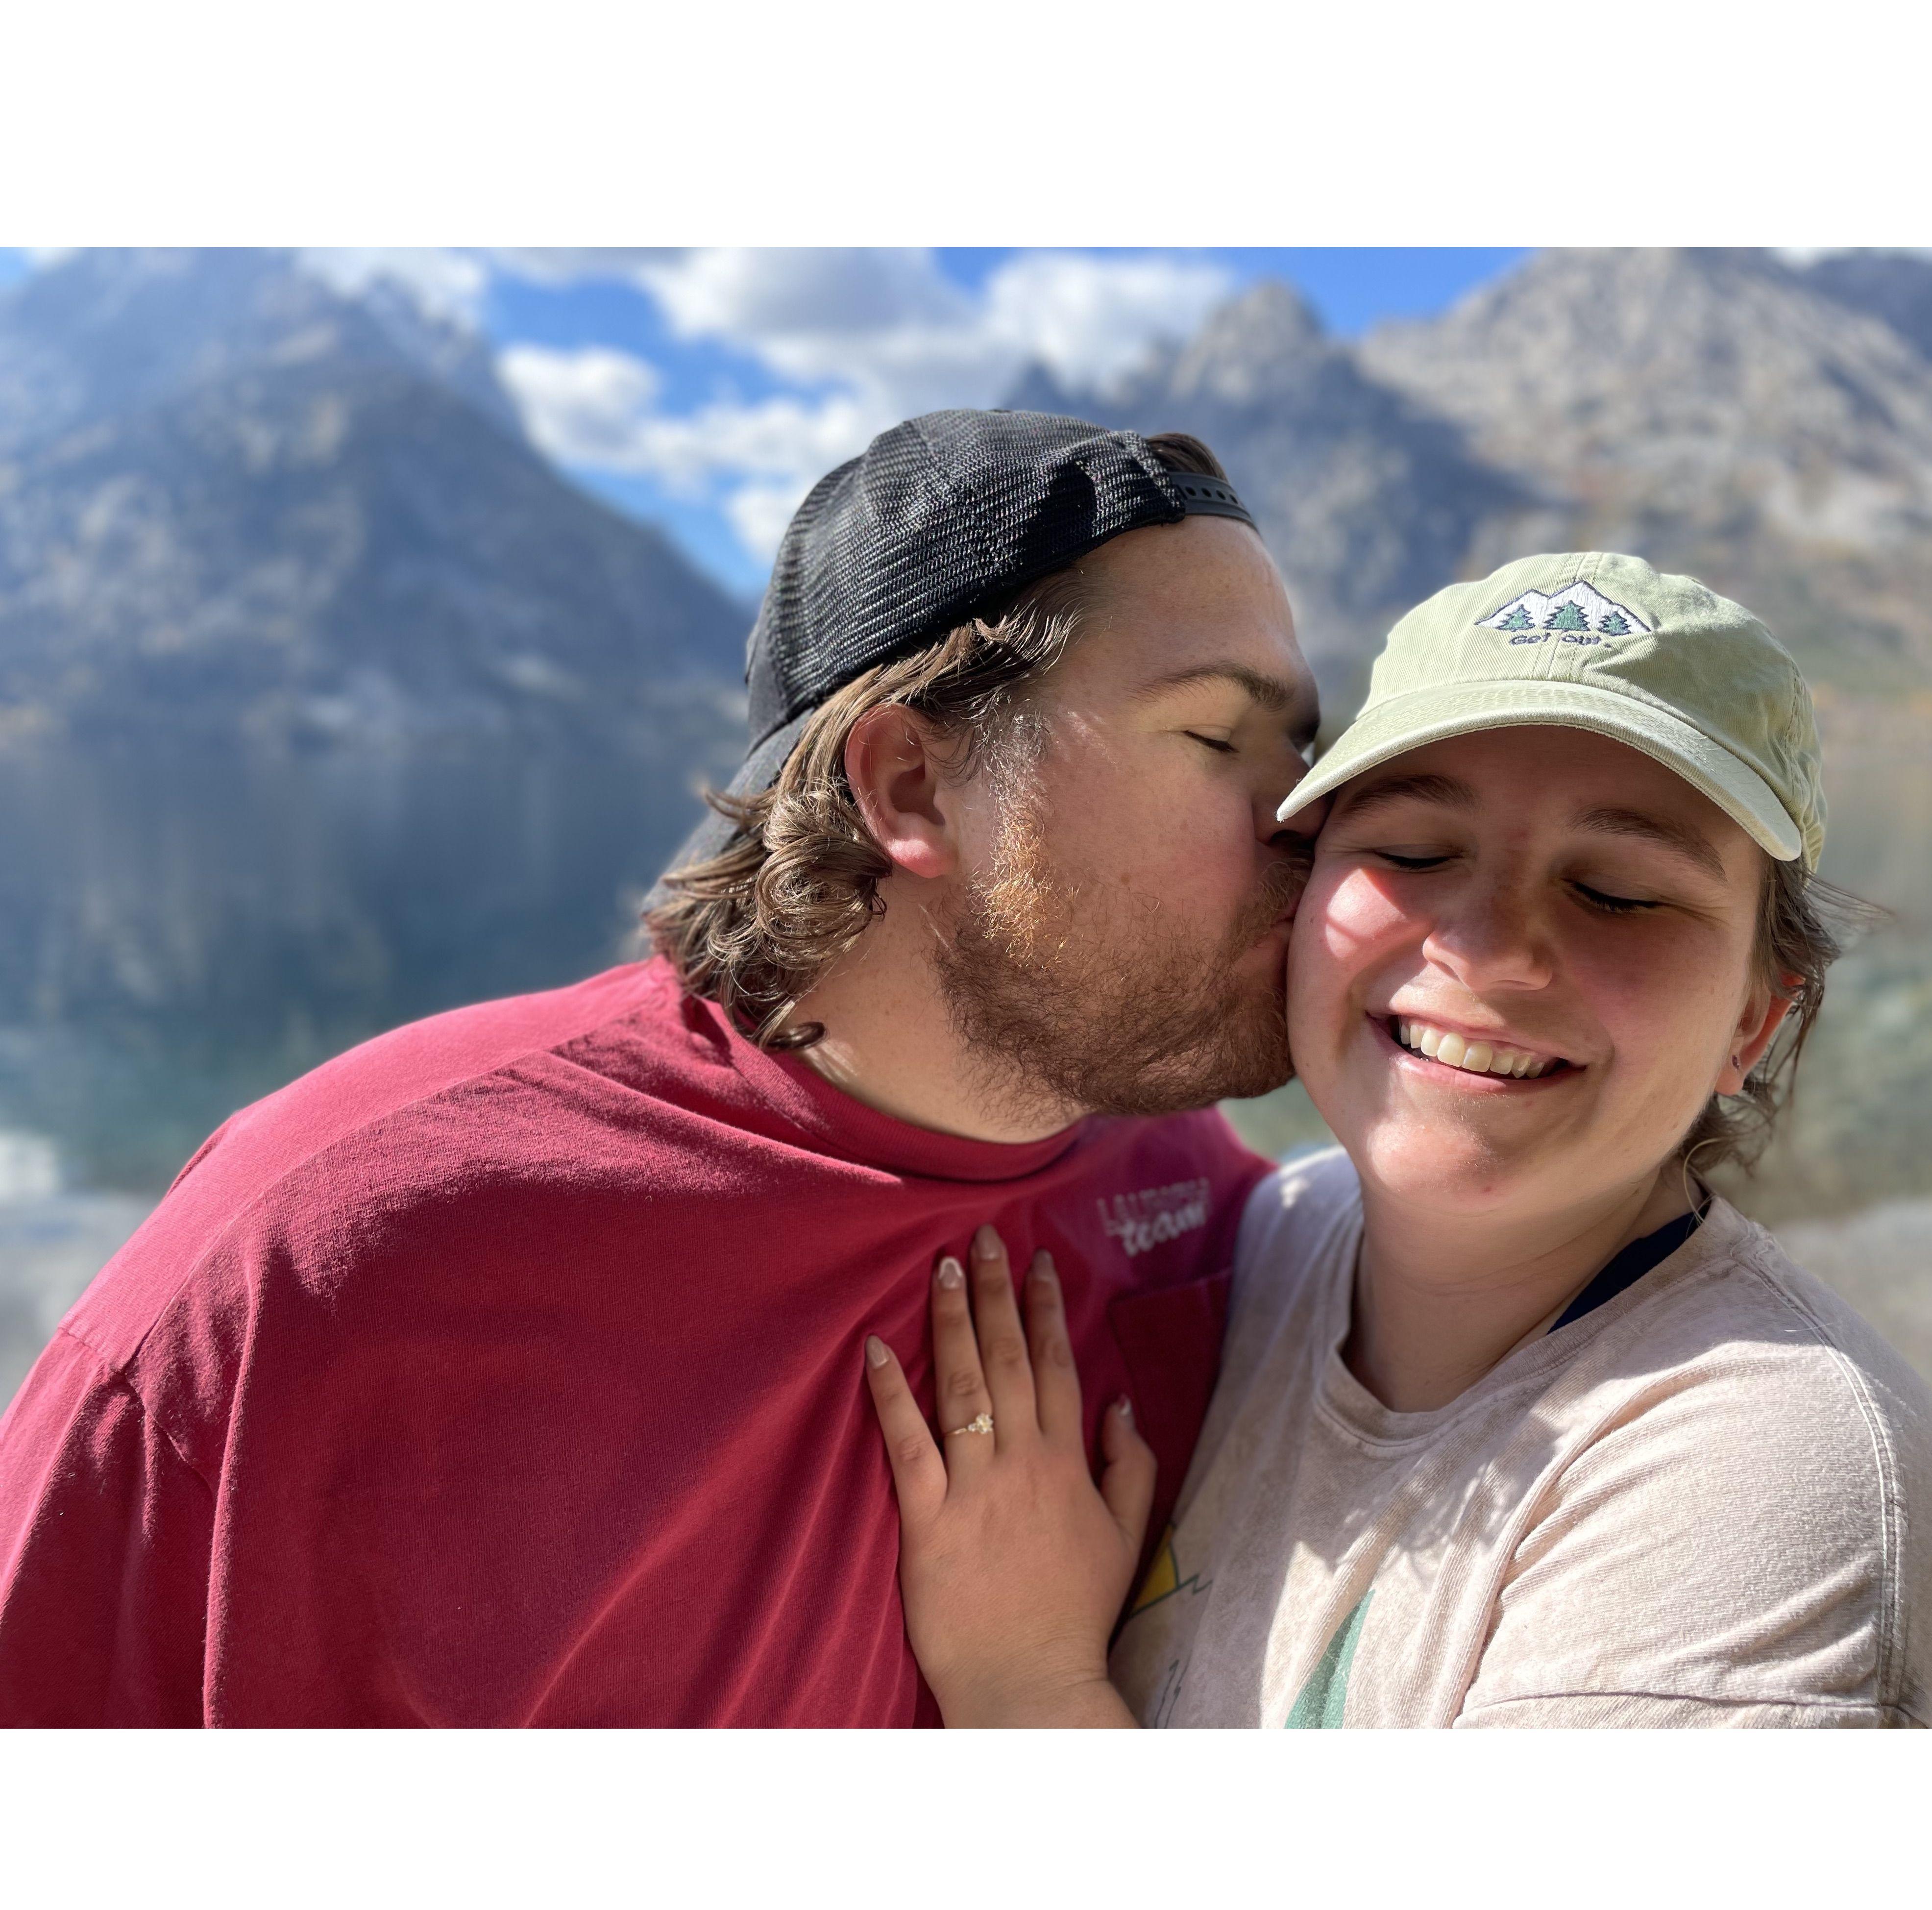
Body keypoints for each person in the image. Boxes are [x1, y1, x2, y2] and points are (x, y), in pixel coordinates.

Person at [0, 411, 1321, 1726]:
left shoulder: (1218, 1219)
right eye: (1218, 740)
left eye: (1305, 754)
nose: (1309, 823)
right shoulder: (329, 1257)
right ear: (913, 785)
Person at [865, 551, 1932, 1727]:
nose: (1491, 947)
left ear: (1756, 1019)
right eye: (1412, 852)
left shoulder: (1764, 1471)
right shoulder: (1275, 1238)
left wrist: (1026, 1685)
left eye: (1619, 890)